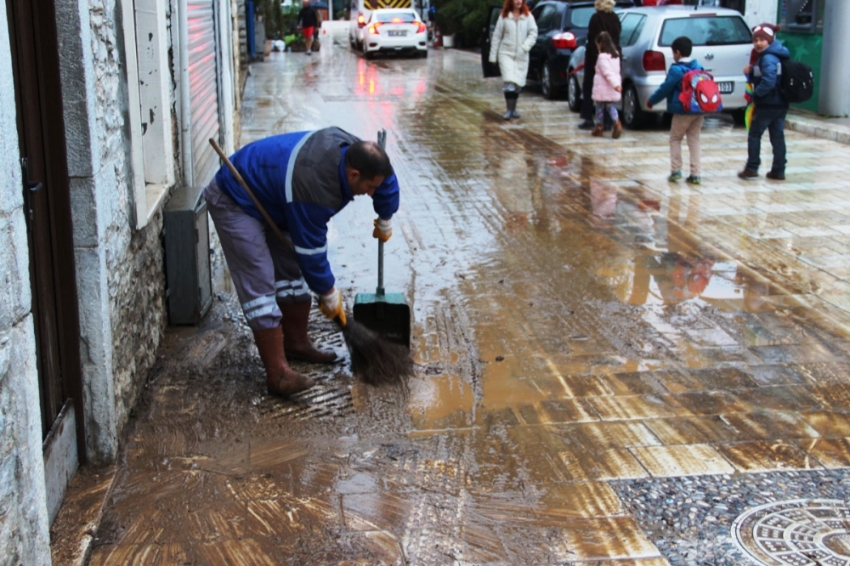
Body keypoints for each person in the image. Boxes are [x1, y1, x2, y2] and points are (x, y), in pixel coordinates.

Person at [203, 127, 400, 397]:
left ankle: (296, 343)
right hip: (237, 197)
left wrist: (386, 216)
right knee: (260, 281)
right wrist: (329, 293)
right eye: (369, 188)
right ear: (353, 175)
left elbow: (385, 179)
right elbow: (312, 252)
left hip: (279, 199)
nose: (370, 193)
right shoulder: (314, 186)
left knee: (290, 273)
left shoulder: (359, 155)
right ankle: (278, 375)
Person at [647, 36, 704, 185]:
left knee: (675, 138)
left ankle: (676, 171)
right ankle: (695, 174)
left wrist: (652, 101)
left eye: (673, 53)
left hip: (682, 110)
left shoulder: (676, 70)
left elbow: (665, 88)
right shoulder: (699, 67)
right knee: (694, 140)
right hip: (698, 109)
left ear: (677, 52)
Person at [738, 23, 790, 181]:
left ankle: (752, 168)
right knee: (777, 137)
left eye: (762, 40)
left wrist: (756, 95)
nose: (758, 43)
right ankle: (778, 170)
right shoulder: (778, 53)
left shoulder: (768, 57)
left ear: (770, 41)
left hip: (768, 103)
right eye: (756, 40)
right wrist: (753, 71)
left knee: (754, 134)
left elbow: (769, 80)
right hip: (781, 102)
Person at [488, 0, 538, 120]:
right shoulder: (504, 16)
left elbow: (533, 33)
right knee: (509, 81)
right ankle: (509, 110)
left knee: (517, 83)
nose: (518, 1)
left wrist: (525, 46)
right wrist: (493, 56)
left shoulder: (528, 16)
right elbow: (497, 36)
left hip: (521, 55)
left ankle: (514, 109)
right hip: (506, 53)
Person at [579, 0, 621, 130]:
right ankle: (609, 121)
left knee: (591, 88)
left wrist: (592, 58)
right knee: (608, 89)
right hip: (613, 57)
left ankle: (589, 119)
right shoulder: (615, 18)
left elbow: (592, 39)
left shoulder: (595, 18)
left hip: (596, 58)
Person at [590, 31, 622, 139]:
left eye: (597, 44)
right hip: (611, 87)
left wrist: (615, 85)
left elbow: (607, 72)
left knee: (599, 106)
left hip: (603, 87)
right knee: (610, 106)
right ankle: (616, 122)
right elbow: (614, 71)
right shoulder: (615, 55)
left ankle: (599, 126)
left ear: (601, 44)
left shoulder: (602, 57)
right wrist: (616, 84)